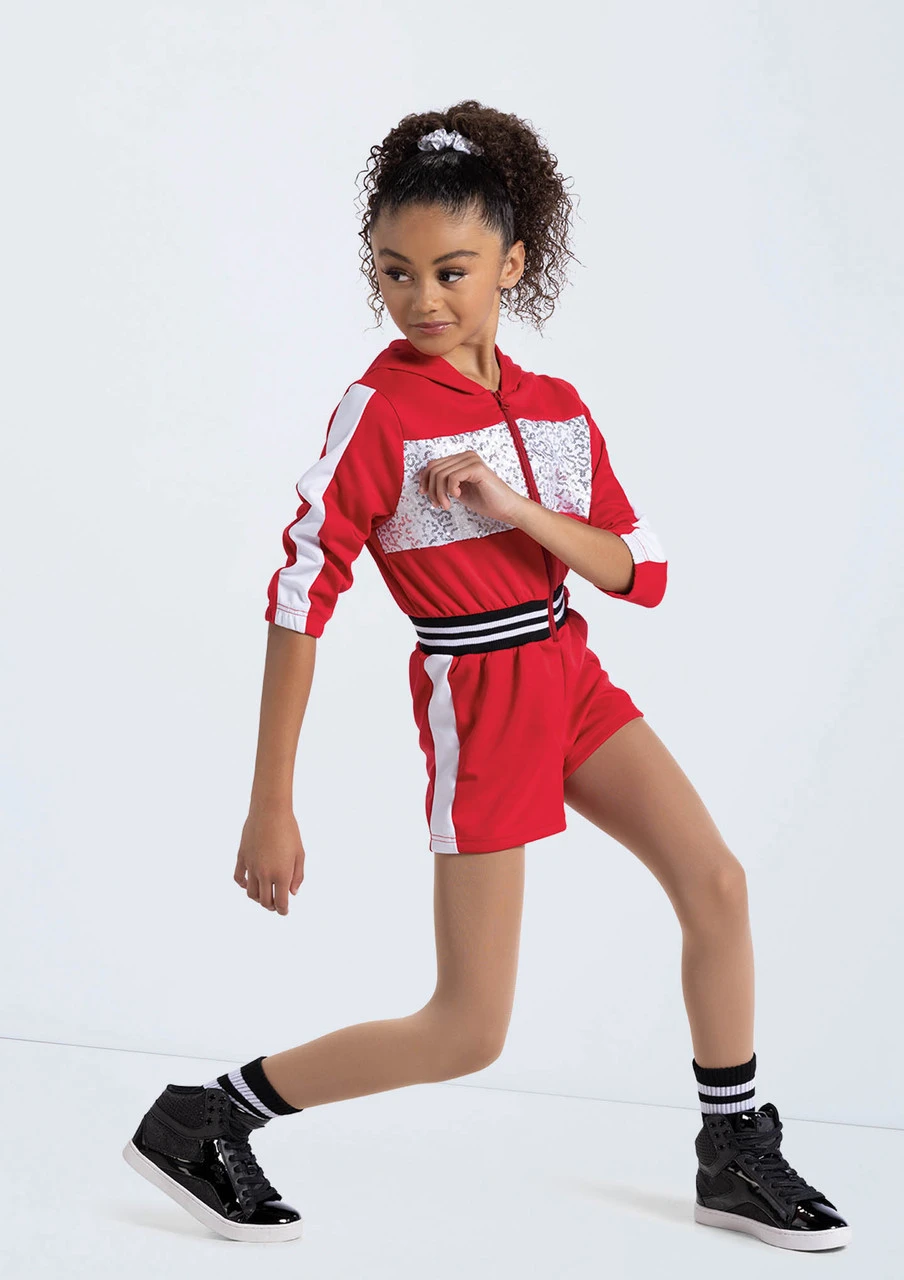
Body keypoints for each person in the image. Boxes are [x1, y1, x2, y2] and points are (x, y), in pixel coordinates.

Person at [122, 101, 851, 1251]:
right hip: (480, 695)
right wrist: (270, 799)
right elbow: (299, 592)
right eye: (394, 271)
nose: (421, 299)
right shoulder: (379, 410)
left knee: (714, 880)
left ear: (511, 263)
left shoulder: (556, 408)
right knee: (467, 1027)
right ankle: (205, 1115)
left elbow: (639, 570)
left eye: (451, 270)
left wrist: (515, 507)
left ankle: (732, 1151)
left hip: (571, 670)